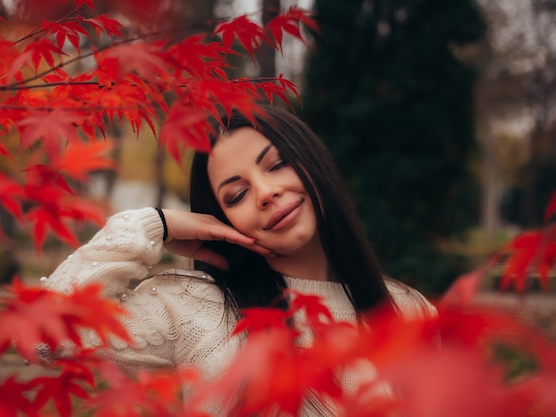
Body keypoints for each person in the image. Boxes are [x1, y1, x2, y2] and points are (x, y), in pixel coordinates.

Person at [41, 105, 437, 415]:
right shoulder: (193, 308)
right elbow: (47, 334)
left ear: (312, 161)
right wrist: (154, 224)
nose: (265, 192)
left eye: (277, 164)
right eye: (236, 195)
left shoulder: (409, 311)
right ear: (223, 219)